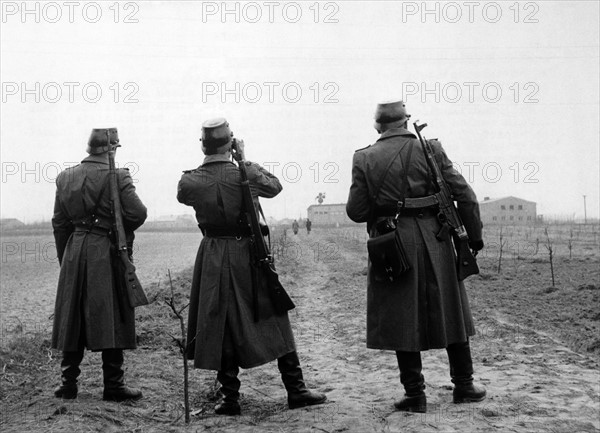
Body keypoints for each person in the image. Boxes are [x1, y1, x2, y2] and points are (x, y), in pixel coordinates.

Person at [177, 118, 326, 416]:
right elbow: (275, 186)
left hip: (213, 253)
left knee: (220, 320)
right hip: (249, 252)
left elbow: (184, 197)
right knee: (273, 313)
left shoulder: (189, 181)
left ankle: (229, 398)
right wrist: (243, 158)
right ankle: (295, 390)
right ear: (230, 142)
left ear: (203, 145)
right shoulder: (245, 173)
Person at [346, 100, 486, 413]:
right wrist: (473, 237)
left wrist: (388, 207)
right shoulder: (431, 149)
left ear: (377, 125)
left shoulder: (364, 157)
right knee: (451, 307)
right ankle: (464, 385)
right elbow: (466, 195)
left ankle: (414, 395)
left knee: (400, 314)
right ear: (406, 122)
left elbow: (355, 210)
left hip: (391, 241)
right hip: (436, 237)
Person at [51, 128, 147, 401]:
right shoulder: (119, 175)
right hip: (106, 248)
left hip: (75, 248)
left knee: (73, 313)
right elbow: (138, 213)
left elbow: (59, 223)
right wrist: (119, 229)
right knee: (113, 310)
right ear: (112, 148)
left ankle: (67, 383)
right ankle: (114, 386)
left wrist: (66, 259)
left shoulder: (65, 177)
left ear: (89, 147)